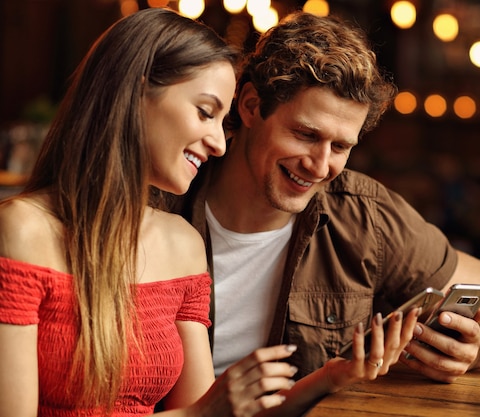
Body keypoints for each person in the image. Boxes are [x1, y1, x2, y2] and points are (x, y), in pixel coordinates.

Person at [0, 8, 417, 417]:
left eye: (222, 119)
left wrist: (329, 377)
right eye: (205, 112)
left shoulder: (181, 242)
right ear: (134, 94)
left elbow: (210, 410)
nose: (219, 143)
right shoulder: (20, 230)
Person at [178, 10, 480, 384]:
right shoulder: (166, 198)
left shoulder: (364, 215)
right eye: (305, 134)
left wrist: (478, 348)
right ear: (251, 106)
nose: (319, 167)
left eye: (340, 146)